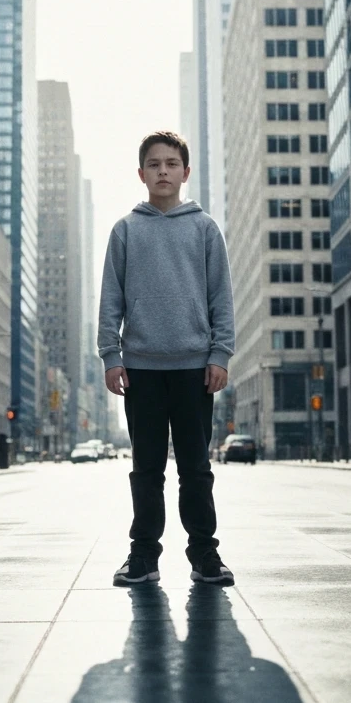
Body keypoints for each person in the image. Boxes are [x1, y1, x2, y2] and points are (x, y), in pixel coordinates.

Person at [98, 130, 236, 587]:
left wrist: (220, 352)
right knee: (146, 469)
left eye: (171, 163)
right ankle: (143, 557)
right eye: (154, 164)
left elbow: (221, 297)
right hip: (140, 369)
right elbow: (110, 299)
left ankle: (204, 555)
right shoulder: (125, 230)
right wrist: (110, 355)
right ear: (141, 174)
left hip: (195, 368)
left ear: (185, 172)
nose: (163, 171)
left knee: (196, 468)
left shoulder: (205, 228)